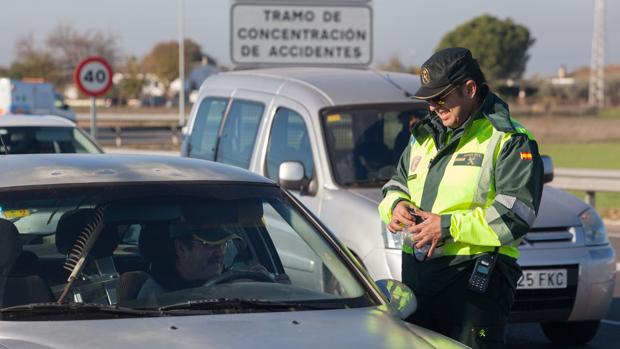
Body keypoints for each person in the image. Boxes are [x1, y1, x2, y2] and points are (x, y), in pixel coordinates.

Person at [378, 47, 543, 348]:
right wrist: (396, 206)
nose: (432, 107)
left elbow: (517, 214)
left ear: (469, 89)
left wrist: (447, 226)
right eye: (428, 99)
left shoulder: (509, 139)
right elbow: (395, 184)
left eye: (440, 97)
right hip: (419, 281)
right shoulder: (423, 136)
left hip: (475, 285)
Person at [137, 220, 241, 299]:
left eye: (223, 244)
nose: (220, 253)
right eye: (209, 245)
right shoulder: (154, 296)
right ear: (181, 248)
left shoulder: (236, 283)